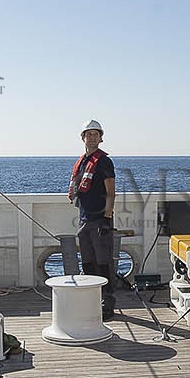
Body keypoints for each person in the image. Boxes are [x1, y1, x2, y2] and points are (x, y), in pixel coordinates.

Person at [67, 119, 117, 319]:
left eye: (96, 134)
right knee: (87, 263)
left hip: (99, 220)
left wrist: (107, 218)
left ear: (101, 138)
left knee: (103, 263)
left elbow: (111, 192)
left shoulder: (104, 161)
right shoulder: (82, 163)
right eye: (89, 134)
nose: (93, 137)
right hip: (84, 220)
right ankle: (90, 300)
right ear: (83, 138)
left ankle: (107, 304)